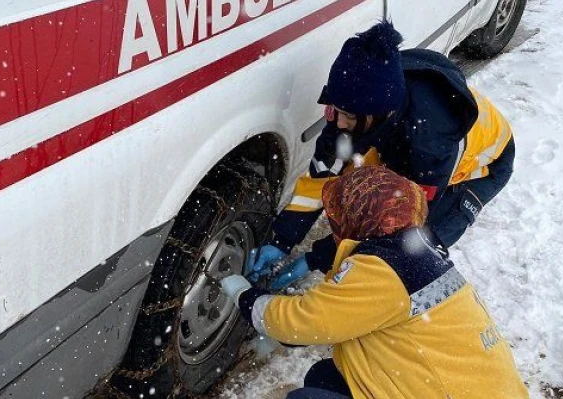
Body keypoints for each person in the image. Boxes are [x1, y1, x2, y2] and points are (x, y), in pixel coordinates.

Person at [247, 21, 515, 290]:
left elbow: (398, 223)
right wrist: (281, 240)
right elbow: (323, 174)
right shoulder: (356, 104)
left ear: (379, 113)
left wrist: (316, 258)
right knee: (356, 190)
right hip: (401, 138)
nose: (338, 123)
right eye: (335, 109)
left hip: (484, 165)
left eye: (348, 116)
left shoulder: (428, 143)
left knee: (409, 249)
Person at [223, 166, 528, 399]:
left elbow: (299, 325)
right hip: (474, 387)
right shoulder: (417, 251)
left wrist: (246, 296)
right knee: (328, 376)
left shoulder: (383, 269)